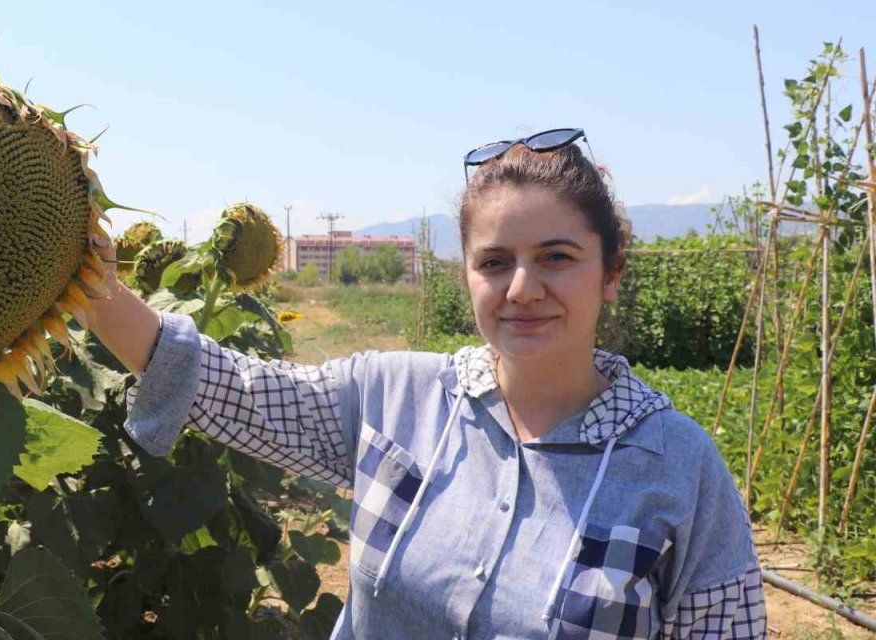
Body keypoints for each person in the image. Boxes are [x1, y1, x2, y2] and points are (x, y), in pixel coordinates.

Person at [83, 128, 768, 639]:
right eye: (495, 262)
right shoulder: (395, 398)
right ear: (466, 275)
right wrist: (95, 288)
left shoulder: (679, 470)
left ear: (610, 273)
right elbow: (226, 390)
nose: (523, 289)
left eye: (556, 258)